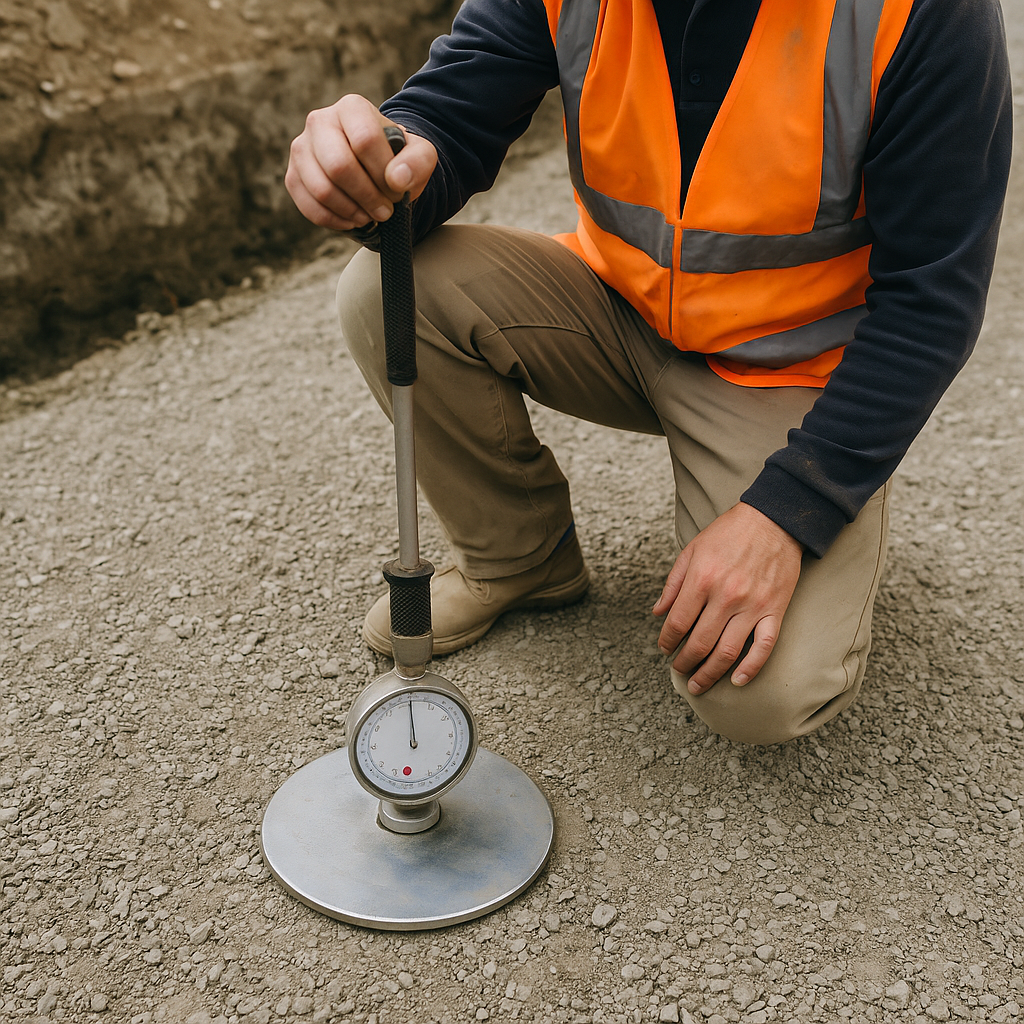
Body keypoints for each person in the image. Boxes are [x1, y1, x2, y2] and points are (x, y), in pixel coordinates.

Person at [285, 0, 1012, 745]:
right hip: (621, 308)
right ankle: (521, 562)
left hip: (793, 372)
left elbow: (931, 302)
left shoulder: (923, 14)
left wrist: (791, 512)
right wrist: (380, 160)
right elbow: (452, 112)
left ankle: (829, 520)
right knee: (385, 288)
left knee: (758, 693)